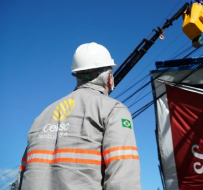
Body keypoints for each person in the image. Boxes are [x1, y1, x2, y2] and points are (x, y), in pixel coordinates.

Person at [16, 42, 141, 190]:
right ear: (109, 78)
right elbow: (123, 179)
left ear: (77, 75)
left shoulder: (42, 116)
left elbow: (21, 178)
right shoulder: (114, 109)